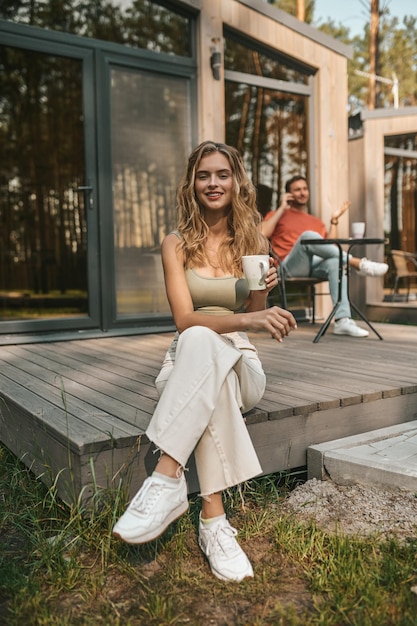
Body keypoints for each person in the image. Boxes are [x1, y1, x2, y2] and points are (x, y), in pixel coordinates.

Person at [112, 141, 297, 582]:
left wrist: (263, 292)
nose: (213, 183)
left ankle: (166, 477)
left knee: (214, 358)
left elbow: (253, 314)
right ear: (192, 184)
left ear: (236, 182)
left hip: (242, 362)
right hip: (186, 362)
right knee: (197, 337)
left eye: (222, 174)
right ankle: (213, 522)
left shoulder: (253, 241)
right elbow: (182, 319)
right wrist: (252, 315)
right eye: (203, 175)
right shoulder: (175, 244)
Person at [261, 175, 388, 338]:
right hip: (287, 267)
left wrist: (334, 221)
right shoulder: (277, 214)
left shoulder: (316, 222)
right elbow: (262, 233)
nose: (302, 193)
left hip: (312, 266)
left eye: (305, 189)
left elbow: (330, 246)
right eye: (297, 190)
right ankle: (358, 263)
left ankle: (342, 321)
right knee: (307, 236)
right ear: (289, 194)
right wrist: (281, 208)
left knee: (335, 261)